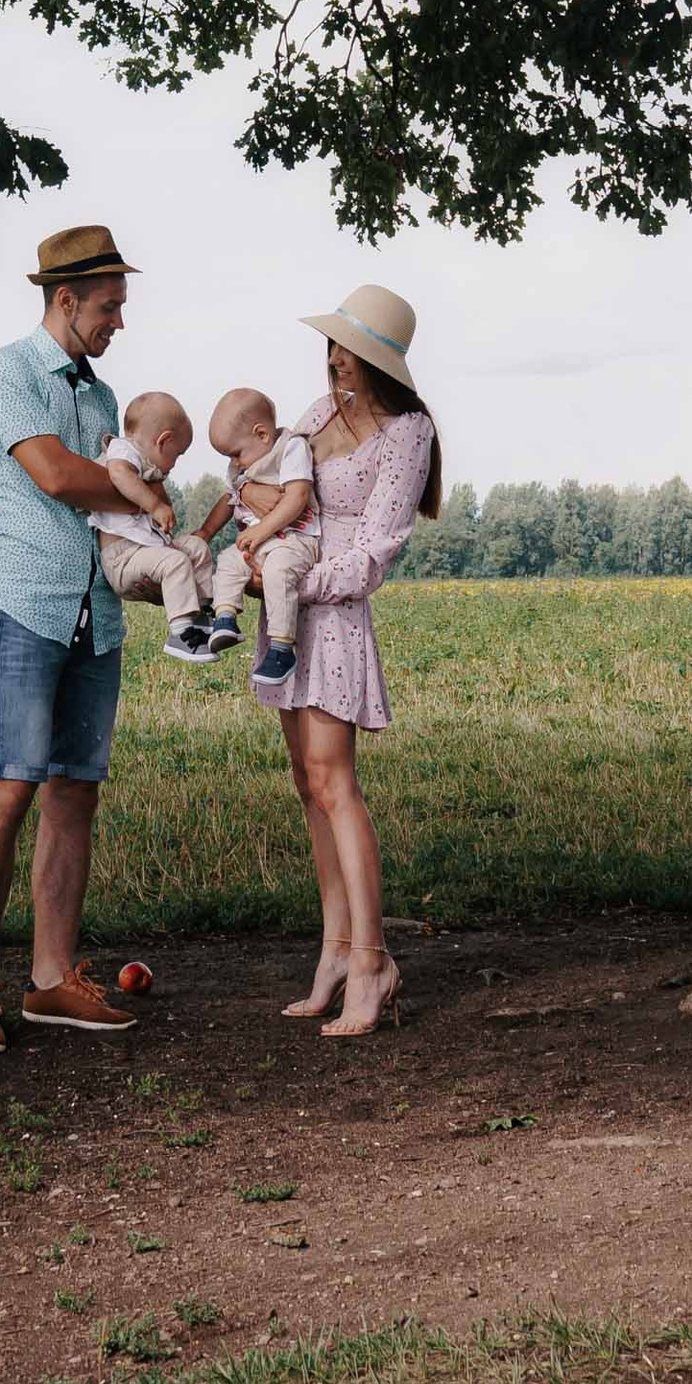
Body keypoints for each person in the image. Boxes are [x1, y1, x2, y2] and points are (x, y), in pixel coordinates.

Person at [0, 222, 148, 1053]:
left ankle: (52, 981)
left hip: (94, 615)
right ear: (64, 301)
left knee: (76, 794)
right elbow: (63, 478)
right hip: (29, 606)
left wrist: (141, 495)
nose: (119, 323)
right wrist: (143, 488)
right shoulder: (7, 373)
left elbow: (116, 493)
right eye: (109, 307)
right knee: (9, 788)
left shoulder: (102, 398)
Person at [255, 281, 443, 1041]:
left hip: (329, 616)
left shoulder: (408, 431)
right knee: (306, 782)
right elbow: (272, 485)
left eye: (354, 350)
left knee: (336, 783)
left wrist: (300, 583)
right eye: (334, 345)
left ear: (384, 362)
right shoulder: (317, 412)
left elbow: (378, 548)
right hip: (286, 614)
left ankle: (372, 958)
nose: (338, 360)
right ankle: (334, 950)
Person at [201, 385, 319, 678]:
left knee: (278, 573)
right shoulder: (244, 462)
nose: (235, 463)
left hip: (294, 539)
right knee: (228, 562)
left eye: (236, 454)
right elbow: (228, 500)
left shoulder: (291, 448)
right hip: (260, 541)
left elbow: (298, 496)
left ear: (262, 434)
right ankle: (225, 618)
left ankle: (281, 648)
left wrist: (262, 529)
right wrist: (206, 532)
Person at [94, 388, 218, 657]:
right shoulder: (123, 450)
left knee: (196, 548)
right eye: (178, 454)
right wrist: (154, 505)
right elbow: (118, 473)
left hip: (147, 552)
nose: (175, 463)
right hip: (123, 558)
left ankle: (205, 615)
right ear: (163, 441)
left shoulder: (146, 466)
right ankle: (181, 634)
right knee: (174, 562)